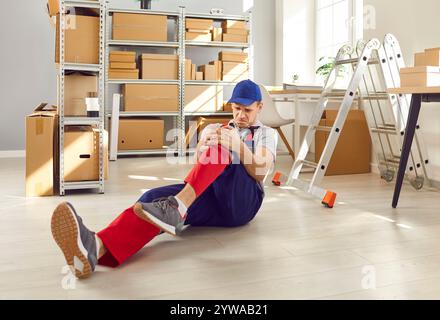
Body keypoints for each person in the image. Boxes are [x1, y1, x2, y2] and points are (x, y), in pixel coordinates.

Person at [51, 79, 278, 279]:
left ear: (259, 107)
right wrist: (202, 145)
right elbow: (201, 167)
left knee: (223, 148)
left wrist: (237, 146)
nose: (241, 115)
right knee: (151, 202)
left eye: (247, 110)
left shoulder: (267, 133)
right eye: (237, 108)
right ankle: (95, 248)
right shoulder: (216, 127)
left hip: (242, 202)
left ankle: (177, 206)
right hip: (211, 197)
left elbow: (261, 171)